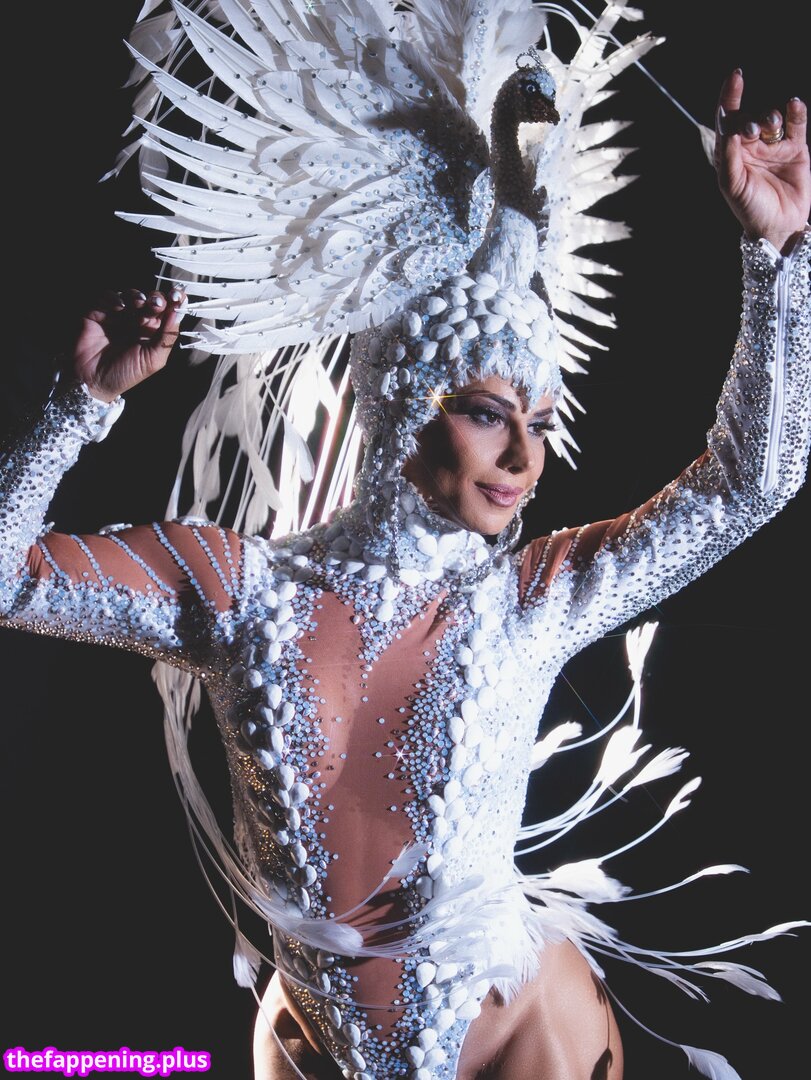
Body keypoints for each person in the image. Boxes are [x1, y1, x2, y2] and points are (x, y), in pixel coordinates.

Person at [1, 33, 808, 1076]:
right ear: (398, 404)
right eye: (487, 413)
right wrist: (80, 405)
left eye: (539, 424)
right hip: (309, 1045)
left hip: (519, 1035)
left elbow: (750, 482)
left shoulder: (529, 598)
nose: (523, 458)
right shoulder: (240, 591)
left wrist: (777, 258)